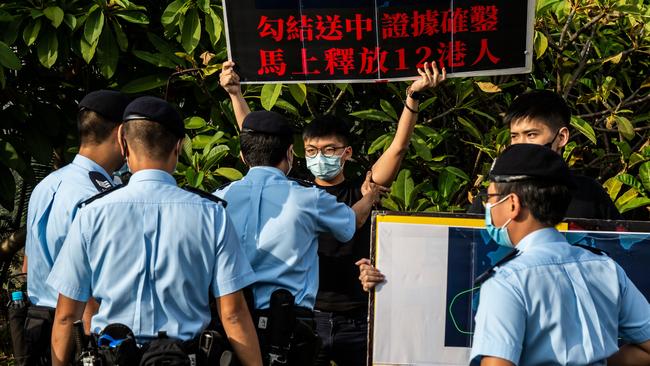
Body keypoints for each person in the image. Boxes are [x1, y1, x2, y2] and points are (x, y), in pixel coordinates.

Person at [221, 60, 445, 365]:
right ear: (295, 152)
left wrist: (412, 98)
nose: (319, 157)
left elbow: (397, 149)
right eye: (311, 150)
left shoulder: (362, 187)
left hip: (357, 318)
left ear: (347, 153)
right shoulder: (299, 194)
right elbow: (260, 146)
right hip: (307, 315)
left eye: (329, 150)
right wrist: (236, 95)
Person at [46, 96, 262, 366]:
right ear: (179, 147)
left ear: (124, 144)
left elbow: (67, 315)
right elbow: (233, 313)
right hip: (185, 358)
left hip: (113, 355)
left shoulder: (91, 214)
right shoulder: (212, 214)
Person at [213, 110, 384, 365]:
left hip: (232, 327)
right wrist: (369, 198)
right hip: (289, 329)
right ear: (290, 155)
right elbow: (350, 222)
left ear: (242, 157)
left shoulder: (218, 200)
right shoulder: (307, 198)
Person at [468, 143, 650, 365]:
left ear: (512, 204)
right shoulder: (606, 267)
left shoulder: (507, 281)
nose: (488, 205)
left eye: (491, 197)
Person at [20, 90, 129, 366]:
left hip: (36, 323)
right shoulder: (100, 197)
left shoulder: (47, 185)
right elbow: (90, 289)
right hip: (77, 334)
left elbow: (27, 265)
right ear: (120, 134)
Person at [467, 89, 622, 220]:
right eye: (515, 136)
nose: (521, 144)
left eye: (531, 135)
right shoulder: (493, 197)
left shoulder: (589, 195)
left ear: (562, 137)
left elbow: (621, 246)